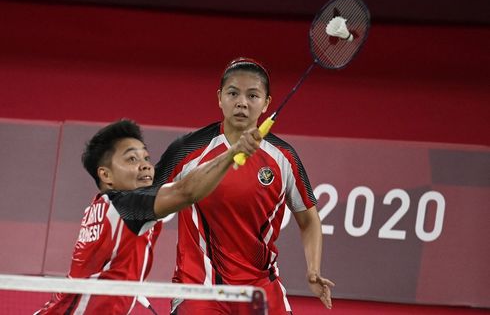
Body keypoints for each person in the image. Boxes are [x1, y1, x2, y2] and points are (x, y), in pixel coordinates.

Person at [154, 58, 335, 314]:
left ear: (266, 103)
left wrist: (313, 269)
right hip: (200, 287)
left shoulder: (284, 157)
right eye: (233, 93)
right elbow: (146, 201)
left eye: (253, 95)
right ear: (219, 98)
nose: (242, 102)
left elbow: (309, 219)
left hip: (260, 286)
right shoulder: (189, 149)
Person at [35, 119, 262, 314]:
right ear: (106, 175)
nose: (145, 166)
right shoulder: (127, 206)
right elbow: (185, 192)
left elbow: (167, 168)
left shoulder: (103, 206)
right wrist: (232, 151)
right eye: (132, 159)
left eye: (146, 158)